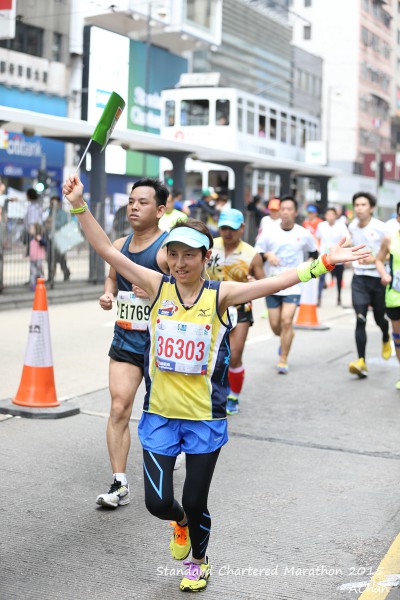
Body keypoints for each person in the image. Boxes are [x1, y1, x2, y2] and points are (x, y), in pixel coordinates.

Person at [62, 173, 369, 593]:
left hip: (205, 417)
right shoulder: (156, 286)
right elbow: (105, 249)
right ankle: (179, 524)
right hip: (160, 416)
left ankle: (198, 561)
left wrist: (324, 262)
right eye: (174, 254)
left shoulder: (220, 294)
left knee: (195, 499)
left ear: (206, 257)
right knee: (159, 503)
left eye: (190, 255)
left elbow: (274, 283)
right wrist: (79, 205)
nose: (180, 263)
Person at [95, 178, 169, 509]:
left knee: (161, 412)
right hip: (126, 335)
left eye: (143, 202)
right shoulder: (119, 244)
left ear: (160, 210)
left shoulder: (167, 249)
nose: (134, 207)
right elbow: (113, 276)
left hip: (161, 345)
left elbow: (187, 290)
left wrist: (156, 291)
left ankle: (172, 455)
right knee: (119, 407)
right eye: (131, 201)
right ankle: (119, 483)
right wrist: (108, 294)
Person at [207, 208, 264, 415]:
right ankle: (210, 391)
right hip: (212, 306)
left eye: (232, 228)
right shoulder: (209, 246)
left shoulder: (251, 254)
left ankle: (233, 396)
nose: (227, 233)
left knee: (234, 355)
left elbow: (263, 282)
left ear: (242, 228)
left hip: (240, 308)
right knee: (210, 355)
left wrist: (254, 282)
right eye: (224, 228)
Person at [255, 195, 318, 374]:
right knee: (276, 326)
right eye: (282, 209)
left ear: (295, 212)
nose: (285, 212)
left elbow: (314, 253)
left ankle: (283, 359)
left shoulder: (304, 234)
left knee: (286, 320)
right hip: (273, 282)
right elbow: (258, 252)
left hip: (293, 283)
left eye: (289, 209)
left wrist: (308, 266)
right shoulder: (269, 231)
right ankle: (286, 336)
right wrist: (268, 255)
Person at [348, 191, 391, 378]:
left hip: (378, 279)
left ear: (371, 208)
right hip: (359, 278)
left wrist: (374, 259)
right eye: (356, 205)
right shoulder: (352, 226)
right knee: (360, 319)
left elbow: (391, 254)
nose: (359, 208)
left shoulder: (381, 228)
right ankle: (361, 361)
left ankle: (386, 336)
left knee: (380, 318)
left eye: (363, 205)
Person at [376, 213, 400, 389]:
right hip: (395, 296)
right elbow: (378, 259)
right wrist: (384, 274)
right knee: (398, 338)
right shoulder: (390, 239)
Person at [315, 207, 350, 306]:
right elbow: (317, 238)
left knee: (339, 278)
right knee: (321, 278)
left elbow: (348, 239)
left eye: (332, 215)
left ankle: (339, 297)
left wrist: (340, 247)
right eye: (328, 215)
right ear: (325, 216)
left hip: (337, 257)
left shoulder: (341, 226)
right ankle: (319, 298)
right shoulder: (321, 225)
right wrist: (318, 249)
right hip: (324, 256)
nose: (330, 217)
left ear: (336, 216)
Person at [46, 195, 70, 282]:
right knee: (49, 258)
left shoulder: (63, 213)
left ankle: (66, 272)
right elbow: (46, 224)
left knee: (61, 259)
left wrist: (51, 221)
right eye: (51, 203)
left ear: (59, 203)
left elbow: (62, 224)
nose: (52, 205)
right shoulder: (49, 212)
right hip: (50, 238)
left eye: (54, 203)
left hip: (60, 239)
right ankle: (50, 276)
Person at [29, 223, 46, 291]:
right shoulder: (31, 238)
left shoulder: (39, 237)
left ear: (35, 230)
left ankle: (41, 284)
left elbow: (44, 243)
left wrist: (40, 240)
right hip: (33, 259)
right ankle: (33, 285)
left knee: (39, 272)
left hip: (39, 258)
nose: (30, 229)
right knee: (33, 272)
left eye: (32, 228)